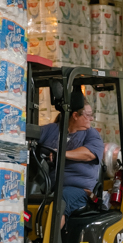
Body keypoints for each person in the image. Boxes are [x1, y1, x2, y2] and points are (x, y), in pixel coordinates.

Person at [39, 87, 104, 229]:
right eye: (88, 115)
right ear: (75, 115)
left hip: (79, 190)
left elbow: (89, 154)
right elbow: (33, 134)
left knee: (59, 201)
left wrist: (61, 153)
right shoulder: (53, 130)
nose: (91, 119)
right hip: (50, 186)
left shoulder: (91, 134)